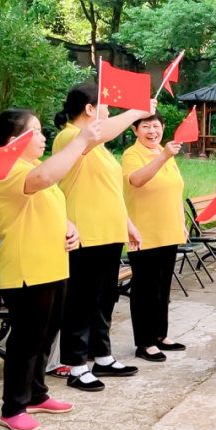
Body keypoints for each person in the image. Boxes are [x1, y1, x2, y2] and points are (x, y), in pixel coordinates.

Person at [0, 108, 94, 430]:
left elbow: (45, 200)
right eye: (35, 131)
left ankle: (36, 393)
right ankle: (13, 406)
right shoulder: (7, 170)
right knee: (26, 340)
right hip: (26, 269)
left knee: (46, 334)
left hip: (52, 266)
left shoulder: (33, 167)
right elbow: (46, 180)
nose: (43, 136)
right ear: (13, 139)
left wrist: (68, 225)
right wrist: (80, 142)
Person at [53, 83, 149, 392]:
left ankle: (102, 356)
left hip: (109, 234)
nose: (109, 112)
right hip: (86, 234)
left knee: (103, 300)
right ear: (90, 110)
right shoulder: (71, 137)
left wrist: (127, 224)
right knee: (81, 301)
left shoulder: (103, 149)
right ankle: (76, 365)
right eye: (105, 106)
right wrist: (136, 111)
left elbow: (110, 193)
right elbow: (99, 133)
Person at [122, 111, 187, 362]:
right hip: (144, 232)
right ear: (135, 130)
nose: (152, 131)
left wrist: (181, 224)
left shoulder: (165, 153)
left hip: (168, 230)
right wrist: (163, 156)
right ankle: (145, 342)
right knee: (145, 289)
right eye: (146, 126)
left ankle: (160, 335)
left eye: (156, 126)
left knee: (162, 287)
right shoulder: (133, 154)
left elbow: (175, 190)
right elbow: (137, 180)